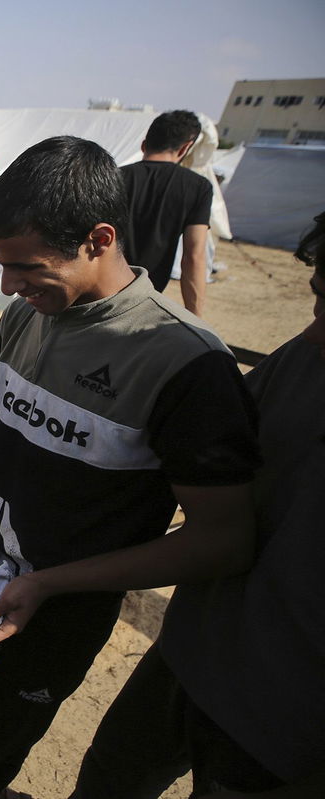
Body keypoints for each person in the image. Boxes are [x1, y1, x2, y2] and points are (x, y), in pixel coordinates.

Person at [0, 137, 260, 799]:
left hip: (67, 601)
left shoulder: (185, 364)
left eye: (27, 267)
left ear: (99, 239)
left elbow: (222, 537)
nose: (8, 287)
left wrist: (50, 584)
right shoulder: (24, 315)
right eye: (1, 267)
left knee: (14, 712)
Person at [69, 211, 325, 798]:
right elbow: (201, 462)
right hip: (194, 655)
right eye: (317, 298)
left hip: (285, 731)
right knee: (110, 776)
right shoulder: (301, 364)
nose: (313, 330)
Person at [120, 110, 213, 315]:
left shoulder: (113, 177)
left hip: (98, 293)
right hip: (146, 296)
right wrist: (195, 319)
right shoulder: (198, 187)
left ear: (144, 144)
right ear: (186, 147)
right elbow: (194, 255)